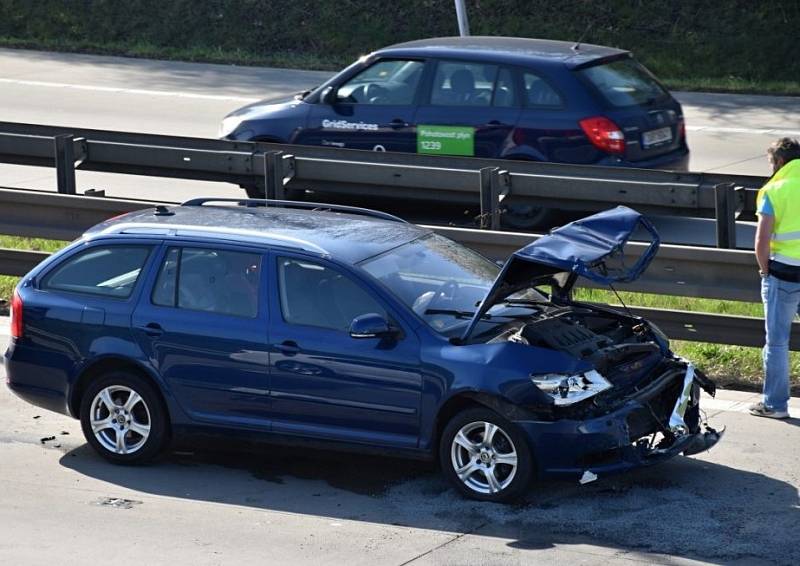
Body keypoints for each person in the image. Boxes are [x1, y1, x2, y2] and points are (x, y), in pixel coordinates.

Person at [751, 137, 800, 419]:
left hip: (782, 275)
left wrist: (764, 269)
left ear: (780, 161)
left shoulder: (774, 189)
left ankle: (775, 405)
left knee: (778, 342)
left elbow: (762, 240)